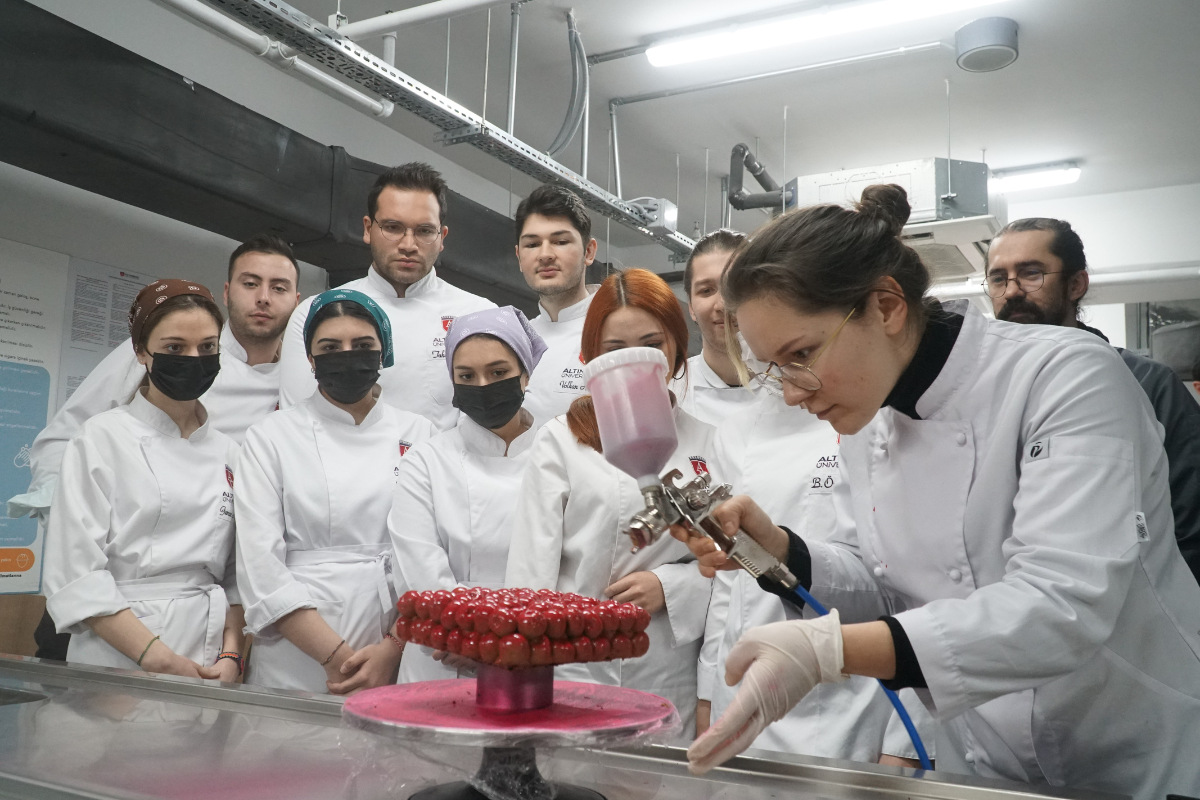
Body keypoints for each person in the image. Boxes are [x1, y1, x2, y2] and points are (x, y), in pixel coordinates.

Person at [673, 185, 1200, 800]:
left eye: (801, 355)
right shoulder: (868, 419)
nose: (792, 392)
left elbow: (1062, 604)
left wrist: (827, 651)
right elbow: (891, 586)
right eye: (773, 368)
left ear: (888, 305)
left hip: (1138, 753)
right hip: (987, 762)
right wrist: (782, 552)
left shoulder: (1066, 376)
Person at [8, 234, 301, 661]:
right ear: (227, 290)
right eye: (250, 283)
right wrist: (74, 533)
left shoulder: (295, 381)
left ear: (297, 298)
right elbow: (61, 441)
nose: (263, 298)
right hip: (112, 601)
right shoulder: (114, 419)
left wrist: (232, 652)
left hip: (207, 613)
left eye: (278, 288)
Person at [505, 268, 715, 733]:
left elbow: (731, 574)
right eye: (615, 350)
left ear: (678, 349)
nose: (633, 361)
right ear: (592, 357)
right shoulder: (559, 441)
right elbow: (531, 570)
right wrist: (523, 663)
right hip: (574, 663)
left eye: (651, 344)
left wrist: (671, 587)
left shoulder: (708, 444)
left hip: (666, 662)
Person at [697, 370, 933, 764]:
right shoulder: (736, 431)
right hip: (746, 682)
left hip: (852, 696)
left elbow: (919, 598)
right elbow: (728, 583)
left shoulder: (878, 420)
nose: (789, 392)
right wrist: (710, 689)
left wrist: (905, 745)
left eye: (799, 355)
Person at [42, 280, 245, 681]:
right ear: (140, 352)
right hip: (120, 653)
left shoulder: (229, 452)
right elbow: (77, 574)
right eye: (174, 348)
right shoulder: (102, 438)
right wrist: (158, 658)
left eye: (207, 347)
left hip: (211, 650)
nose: (194, 358)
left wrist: (232, 655)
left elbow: (238, 573)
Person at [234, 289, 434, 694]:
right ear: (309, 359)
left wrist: (392, 650)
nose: (347, 356)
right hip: (299, 650)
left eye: (362, 346)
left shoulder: (420, 434)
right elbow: (260, 568)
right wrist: (338, 659)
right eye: (330, 347)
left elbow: (432, 556)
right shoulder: (270, 436)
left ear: (384, 353)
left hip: (399, 639)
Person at [985, 217, 1200, 582]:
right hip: (1010, 607)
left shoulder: (1148, 384)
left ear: (1076, 284)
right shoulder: (985, 393)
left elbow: (1191, 523)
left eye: (1031, 273)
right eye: (998, 278)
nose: (1012, 291)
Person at [390, 306, 547, 682]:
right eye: (466, 375)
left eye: (498, 373)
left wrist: (515, 637)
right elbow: (417, 568)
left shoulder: (559, 455)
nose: (483, 385)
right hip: (443, 655)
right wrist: (470, 636)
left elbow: (574, 565)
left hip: (537, 648)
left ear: (525, 374)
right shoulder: (426, 461)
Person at [277, 163, 495, 429]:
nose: (408, 245)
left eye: (424, 231)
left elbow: (485, 426)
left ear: (441, 237)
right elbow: (298, 425)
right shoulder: (316, 314)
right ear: (368, 229)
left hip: (444, 469)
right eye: (393, 227)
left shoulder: (479, 315)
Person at [515, 184, 598, 428]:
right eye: (532, 245)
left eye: (560, 241)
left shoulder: (616, 334)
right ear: (519, 257)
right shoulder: (513, 339)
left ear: (589, 252)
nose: (545, 254)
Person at [669, 230, 758, 426]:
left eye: (734, 286)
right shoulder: (670, 392)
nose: (722, 305)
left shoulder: (796, 389)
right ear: (691, 307)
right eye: (706, 290)